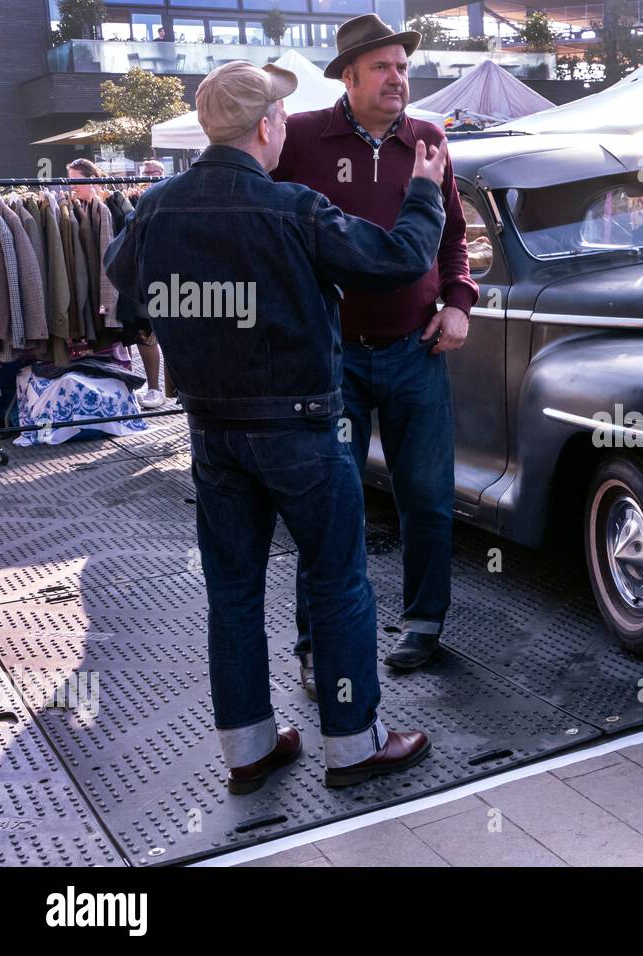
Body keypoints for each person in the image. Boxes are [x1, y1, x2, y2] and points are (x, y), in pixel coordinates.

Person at [104, 60, 448, 792]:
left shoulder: (158, 207)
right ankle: (354, 745)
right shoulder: (294, 209)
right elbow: (397, 259)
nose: (286, 127)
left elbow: (122, 281)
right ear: (265, 127)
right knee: (337, 582)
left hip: (211, 431)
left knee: (233, 590)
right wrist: (422, 193)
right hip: (301, 429)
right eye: (281, 118)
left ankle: (249, 750)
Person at [273, 13, 477, 696]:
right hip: (332, 361)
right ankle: (316, 641)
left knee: (428, 497)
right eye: (384, 68)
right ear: (349, 76)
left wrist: (458, 303)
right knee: (330, 504)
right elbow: (271, 233)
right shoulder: (299, 138)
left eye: (403, 66)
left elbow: (453, 239)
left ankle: (423, 623)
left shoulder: (429, 138)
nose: (399, 78)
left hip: (417, 351)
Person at [67, 158, 166, 407]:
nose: (71, 187)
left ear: (91, 179)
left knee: (144, 332)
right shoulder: (81, 207)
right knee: (123, 335)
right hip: (114, 282)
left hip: (132, 282)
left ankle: (155, 388)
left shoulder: (114, 204)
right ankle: (129, 385)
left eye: (75, 180)